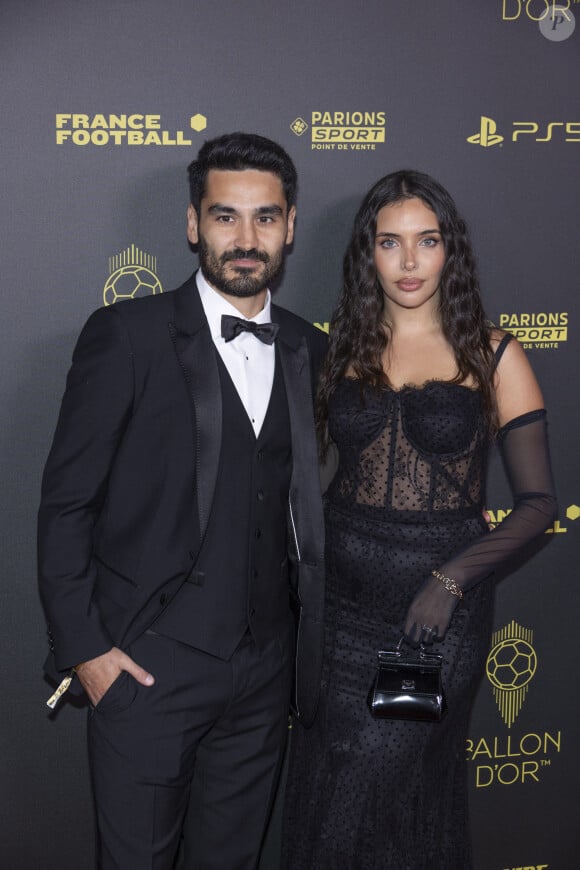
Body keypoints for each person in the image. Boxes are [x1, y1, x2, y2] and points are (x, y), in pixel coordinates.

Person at [38, 132, 327, 870]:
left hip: (264, 677)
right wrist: (89, 654)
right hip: (147, 669)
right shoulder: (126, 336)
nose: (246, 238)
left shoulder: (306, 348)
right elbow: (67, 505)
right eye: (225, 216)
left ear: (290, 226)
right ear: (193, 224)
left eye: (265, 218)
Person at [281, 170, 557, 870]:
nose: (408, 263)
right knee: (329, 785)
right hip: (340, 613)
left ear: (449, 251)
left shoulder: (495, 355)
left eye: (426, 242)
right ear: (366, 254)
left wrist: (453, 578)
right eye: (390, 243)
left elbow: (539, 505)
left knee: (387, 786)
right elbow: (314, 482)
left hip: (435, 618)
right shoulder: (339, 349)